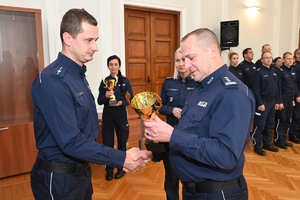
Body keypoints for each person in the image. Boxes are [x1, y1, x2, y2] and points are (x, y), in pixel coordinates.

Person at [30, 8, 144, 200]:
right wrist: (120, 157)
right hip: (59, 179)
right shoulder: (53, 80)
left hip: (80, 173)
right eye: (88, 40)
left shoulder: (78, 75)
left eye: (96, 40)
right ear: (68, 39)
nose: (95, 47)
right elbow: (71, 141)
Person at [135, 28, 255, 200]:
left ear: (212, 51)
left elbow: (225, 154)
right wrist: (154, 153)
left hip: (217, 193)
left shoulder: (232, 94)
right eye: (183, 59)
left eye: (191, 58)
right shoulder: (200, 87)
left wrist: (172, 134)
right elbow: (190, 133)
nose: (186, 65)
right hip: (193, 191)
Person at [158, 47, 197, 200]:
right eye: (177, 60)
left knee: (190, 178)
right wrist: (171, 109)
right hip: (171, 136)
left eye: (183, 60)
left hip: (190, 136)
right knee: (171, 179)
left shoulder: (197, 83)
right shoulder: (168, 83)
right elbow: (160, 107)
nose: (181, 64)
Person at [97, 55, 134, 181]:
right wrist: (106, 96)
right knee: (108, 143)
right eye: (111, 64)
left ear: (119, 65)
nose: (113, 67)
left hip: (120, 114)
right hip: (107, 115)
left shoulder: (125, 81)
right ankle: (109, 170)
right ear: (108, 66)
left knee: (122, 142)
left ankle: (120, 168)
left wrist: (121, 103)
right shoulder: (104, 81)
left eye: (116, 64)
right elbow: (99, 101)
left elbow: (131, 99)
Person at [251, 51, 282, 156]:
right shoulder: (258, 73)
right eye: (266, 58)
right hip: (263, 102)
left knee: (270, 124)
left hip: (272, 102)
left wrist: (278, 101)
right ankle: (257, 145)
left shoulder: (274, 72)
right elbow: (256, 90)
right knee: (260, 125)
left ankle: (267, 143)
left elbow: (277, 88)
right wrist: (260, 103)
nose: (269, 59)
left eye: (270, 57)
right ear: (262, 60)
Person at [274, 52, 300, 149]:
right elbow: (278, 88)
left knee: (288, 118)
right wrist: (279, 101)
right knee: (281, 118)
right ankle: (278, 140)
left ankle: (284, 139)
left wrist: (295, 97)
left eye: (291, 59)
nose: (290, 60)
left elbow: (294, 85)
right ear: (283, 60)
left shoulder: (293, 70)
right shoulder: (280, 71)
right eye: (288, 59)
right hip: (283, 95)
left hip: (291, 95)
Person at [0, 51, 17, 121]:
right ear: (9, 57)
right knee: (10, 111)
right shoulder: (10, 67)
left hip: (2, 93)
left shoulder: (1, 65)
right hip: (8, 93)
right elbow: (12, 81)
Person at [289, 48, 300, 142]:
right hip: (298, 93)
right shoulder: (295, 66)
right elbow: (294, 83)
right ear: (297, 55)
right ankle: (293, 134)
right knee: (296, 115)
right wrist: (297, 95)